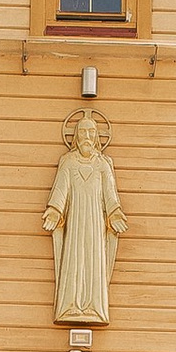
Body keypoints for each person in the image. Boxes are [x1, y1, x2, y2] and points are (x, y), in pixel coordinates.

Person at [42, 104, 125, 327]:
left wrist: (115, 214)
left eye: (91, 132)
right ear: (76, 136)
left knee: (92, 260)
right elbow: (60, 190)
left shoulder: (103, 165)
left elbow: (110, 195)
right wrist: (55, 210)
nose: (87, 136)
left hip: (96, 223)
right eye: (82, 132)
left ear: (97, 136)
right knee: (75, 259)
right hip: (76, 221)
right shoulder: (68, 162)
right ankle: (71, 305)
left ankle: (93, 307)